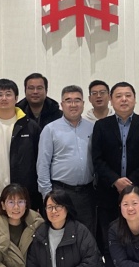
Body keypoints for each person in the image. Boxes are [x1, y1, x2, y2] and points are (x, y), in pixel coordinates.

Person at [92, 82, 139, 267]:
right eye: (118, 96)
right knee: (110, 240)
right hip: (108, 193)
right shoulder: (101, 126)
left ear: (135, 99)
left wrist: (130, 184)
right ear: (111, 100)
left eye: (128, 95)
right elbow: (97, 159)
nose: (123, 99)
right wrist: (115, 180)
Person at [0, 78, 42, 226]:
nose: (4, 98)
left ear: (16, 98)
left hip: (22, 195)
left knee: (24, 235)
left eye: (8, 94)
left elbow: (39, 161)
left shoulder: (30, 127)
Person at [36, 85, 95, 233]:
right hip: (60, 192)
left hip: (87, 194)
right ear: (62, 104)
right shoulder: (50, 129)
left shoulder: (92, 128)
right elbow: (42, 164)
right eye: (68, 100)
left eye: (77, 100)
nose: (73, 104)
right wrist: (48, 195)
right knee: (61, 234)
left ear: (83, 103)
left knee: (87, 234)